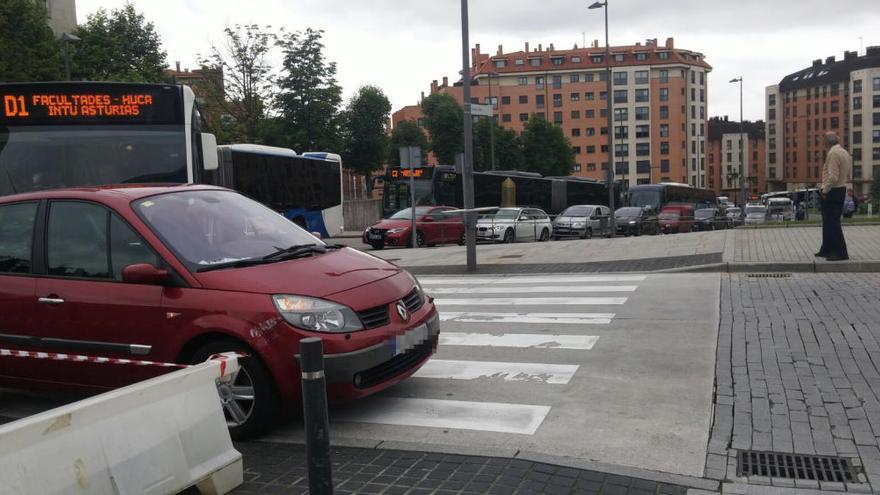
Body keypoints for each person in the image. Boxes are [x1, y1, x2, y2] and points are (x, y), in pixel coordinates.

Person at [815, 132, 851, 261]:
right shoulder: (844, 152)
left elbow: (833, 177)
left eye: (823, 142)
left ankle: (840, 252)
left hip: (832, 191)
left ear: (826, 143)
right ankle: (826, 249)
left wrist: (825, 191)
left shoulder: (833, 153)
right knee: (829, 222)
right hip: (840, 189)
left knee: (832, 222)